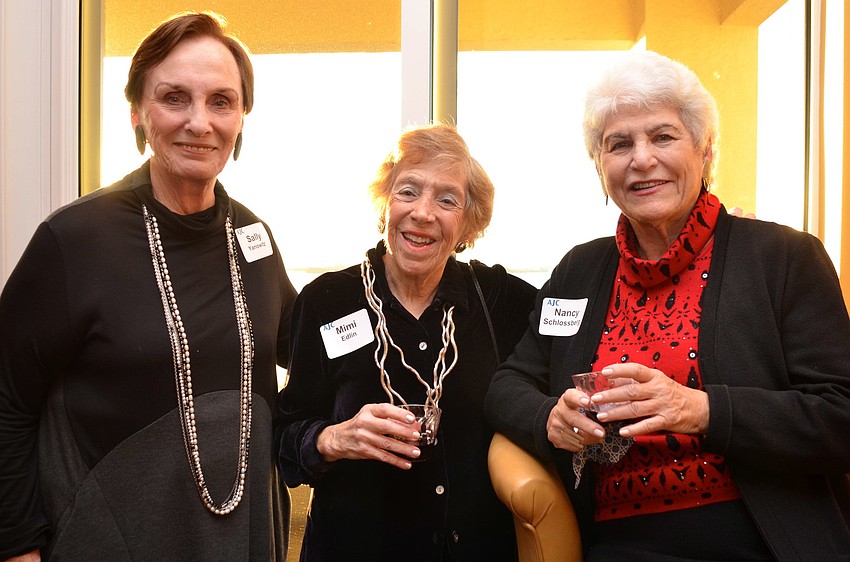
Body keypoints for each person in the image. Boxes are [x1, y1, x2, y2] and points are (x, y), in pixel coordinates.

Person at [485, 51, 850, 561]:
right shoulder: (579, 271)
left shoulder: (783, 258)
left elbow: (839, 416)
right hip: (617, 547)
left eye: (662, 136)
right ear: (600, 166)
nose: (641, 159)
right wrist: (551, 417)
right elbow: (506, 385)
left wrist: (699, 409)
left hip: (759, 540)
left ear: (704, 150)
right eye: (619, 144)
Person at [0, 12, 296, 561]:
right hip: (109, 541)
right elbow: (6, 401)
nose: (199, 122)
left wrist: (412, 270)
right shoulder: (74, 240)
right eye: (174, 98)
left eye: (221, 102)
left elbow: (311, 351)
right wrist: (17, 547)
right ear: (137, 111)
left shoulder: (253, 237)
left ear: (242, 120)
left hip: (239, 541)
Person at [274, 123, 537, 561]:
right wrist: (335, 438)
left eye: (447, 199)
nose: (423, 213)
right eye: (408, 191)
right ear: (385, 204)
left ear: (468, 222)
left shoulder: (499, 301)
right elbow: (285, 431)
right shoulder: (327, 300)